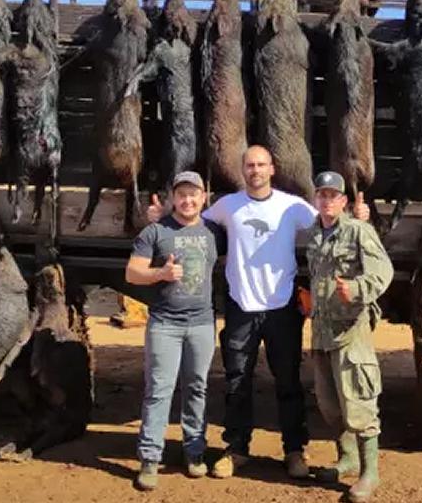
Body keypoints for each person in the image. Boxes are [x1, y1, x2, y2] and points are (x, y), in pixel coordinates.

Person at [146, 145, 369, 479]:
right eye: (249, 165)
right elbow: (188, 220)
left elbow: (328, 221)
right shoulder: (227, 205)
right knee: (237, 383)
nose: (255, 170)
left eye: (261, 165)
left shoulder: (292, 206)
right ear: (243, 170)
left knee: (288, 382)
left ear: (272, 169)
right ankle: (236, 450)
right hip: (241, 307)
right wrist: (160, 217)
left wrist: (356, 217)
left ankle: (294, 451)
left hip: (281, 307)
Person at [124, 171, 225, 491]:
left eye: (193, 194)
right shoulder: (155, 231)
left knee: (197, 388)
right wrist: (160, 273)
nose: (188, 200)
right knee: (159, 390)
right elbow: (132, 273)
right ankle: (150, 459)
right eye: (181, 194)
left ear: (204, 198)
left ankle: (194, 453)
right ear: (173, 198)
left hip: (201, 323)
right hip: (165, 324)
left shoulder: (215, 232)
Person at [304, 171, 392, 503]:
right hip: (323, 331)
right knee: (330, 405)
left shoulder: (358, 231)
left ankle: (370, 473)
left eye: (333, 195)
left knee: (360, 403)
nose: (327, 200)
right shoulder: (315, 234)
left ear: (343, 201)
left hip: (352, 331)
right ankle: (348, 458)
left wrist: (355, 289)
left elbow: (382, 271)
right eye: (322, 194)